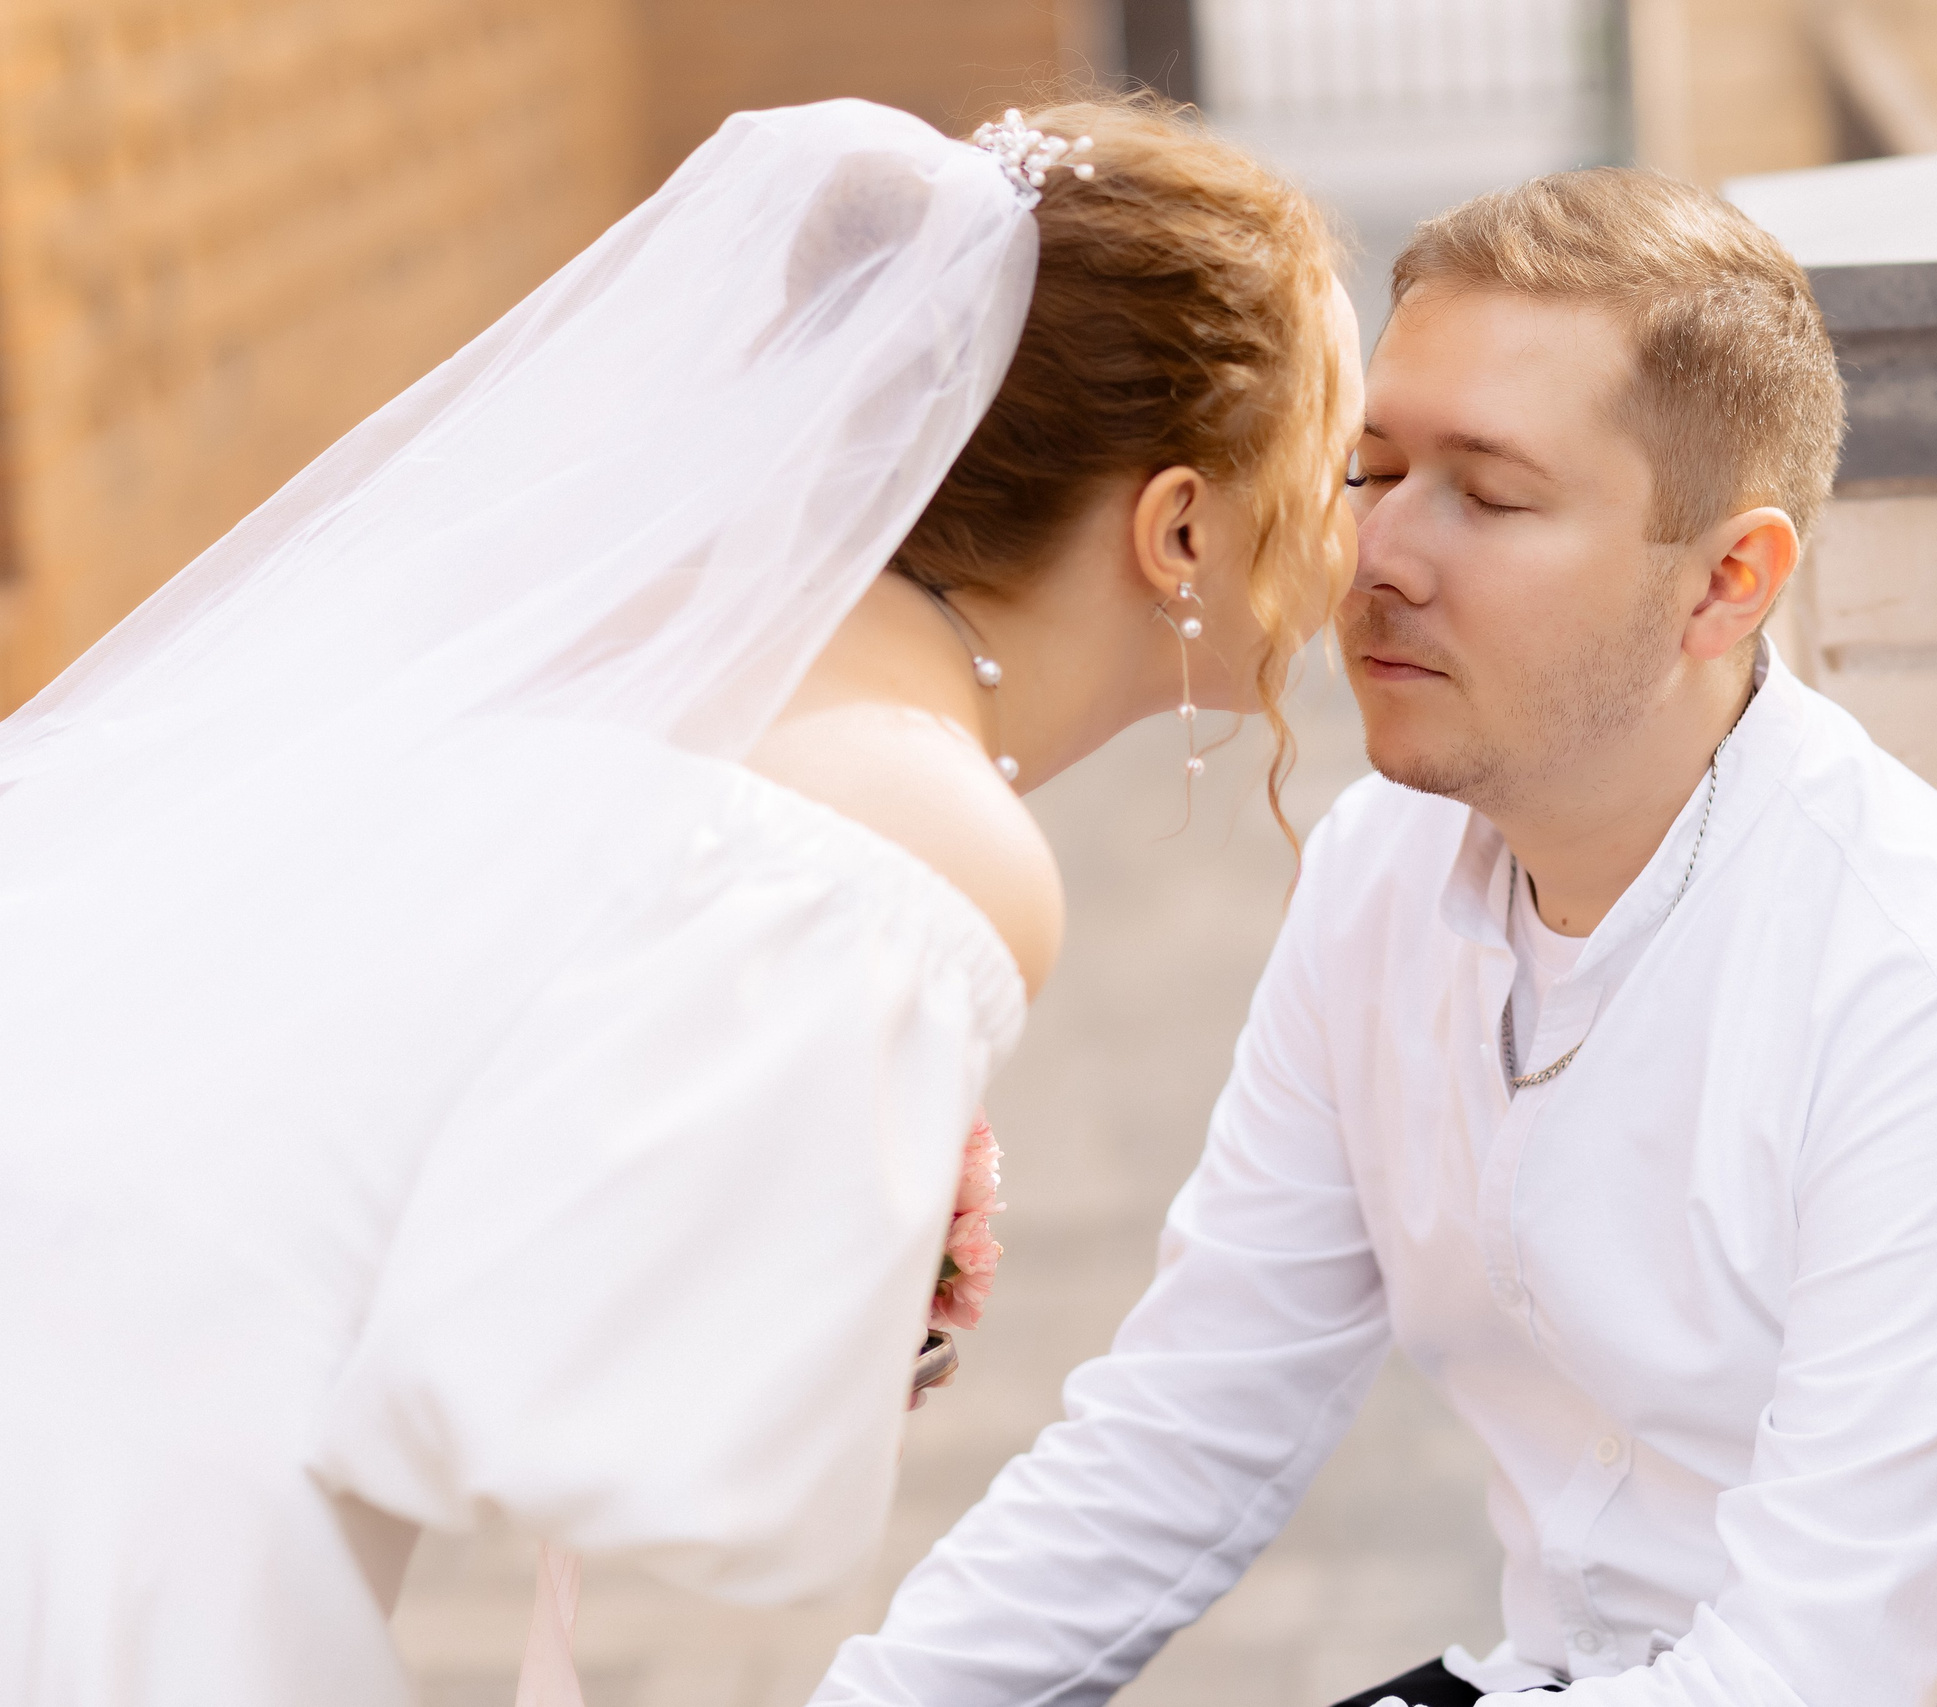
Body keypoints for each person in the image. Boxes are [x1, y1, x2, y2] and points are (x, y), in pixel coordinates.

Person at [815, 170, 1937, 1707]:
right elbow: (1187, 1427)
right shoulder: (1381, 874)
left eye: (1492, 495)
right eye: (1370, 471)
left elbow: (1813, 1676)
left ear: (1727, 583)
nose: (1378, 554)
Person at [0, 95, 1361, 1705]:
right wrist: (837, 1279)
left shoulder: (631, 652)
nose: (1369, 534)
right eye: (1348, 469)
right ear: (1183, 526)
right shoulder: (924, 827)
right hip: (116, 1520)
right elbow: (619, 1450)